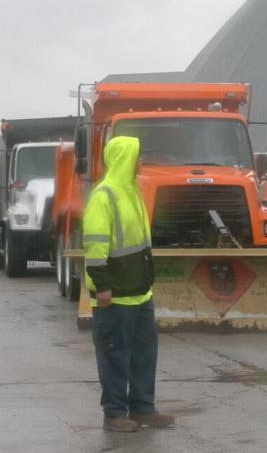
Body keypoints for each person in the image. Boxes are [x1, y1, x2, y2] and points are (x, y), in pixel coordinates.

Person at [83, 136, 174, 433]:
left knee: (144, 354)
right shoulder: (104, 196)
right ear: (124, 159)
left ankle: (143, 408)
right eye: (137, 156)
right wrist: (103, 286)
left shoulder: (132, 192)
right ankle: (114, 414)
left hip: (139, 292)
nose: (141, 162)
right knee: (114, 355)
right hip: (116, 295)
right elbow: (95, 247)